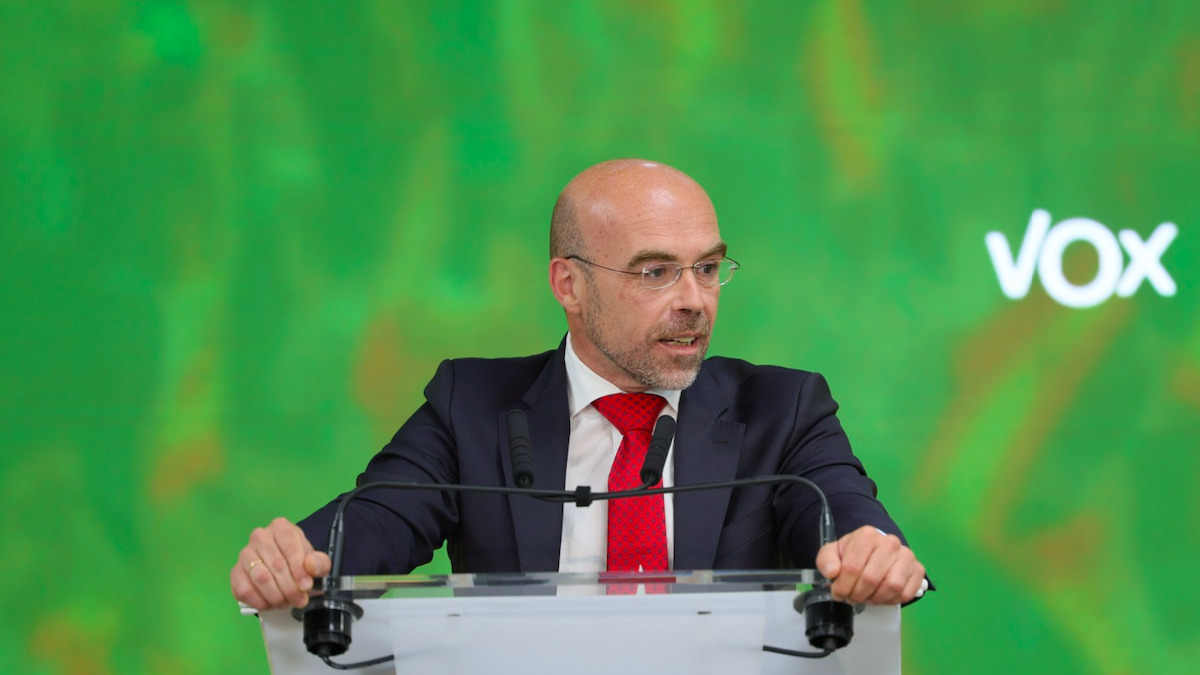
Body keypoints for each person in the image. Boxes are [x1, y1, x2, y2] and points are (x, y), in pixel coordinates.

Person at [230, 159, 928, 612]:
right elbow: (375, 520)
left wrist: (869, 549)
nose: (695, 300)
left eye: (708, 268)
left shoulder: (783, 409)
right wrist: (296, 561)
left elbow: (841, 508)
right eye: (656, 272)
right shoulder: (472, 406)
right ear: (569, 284)